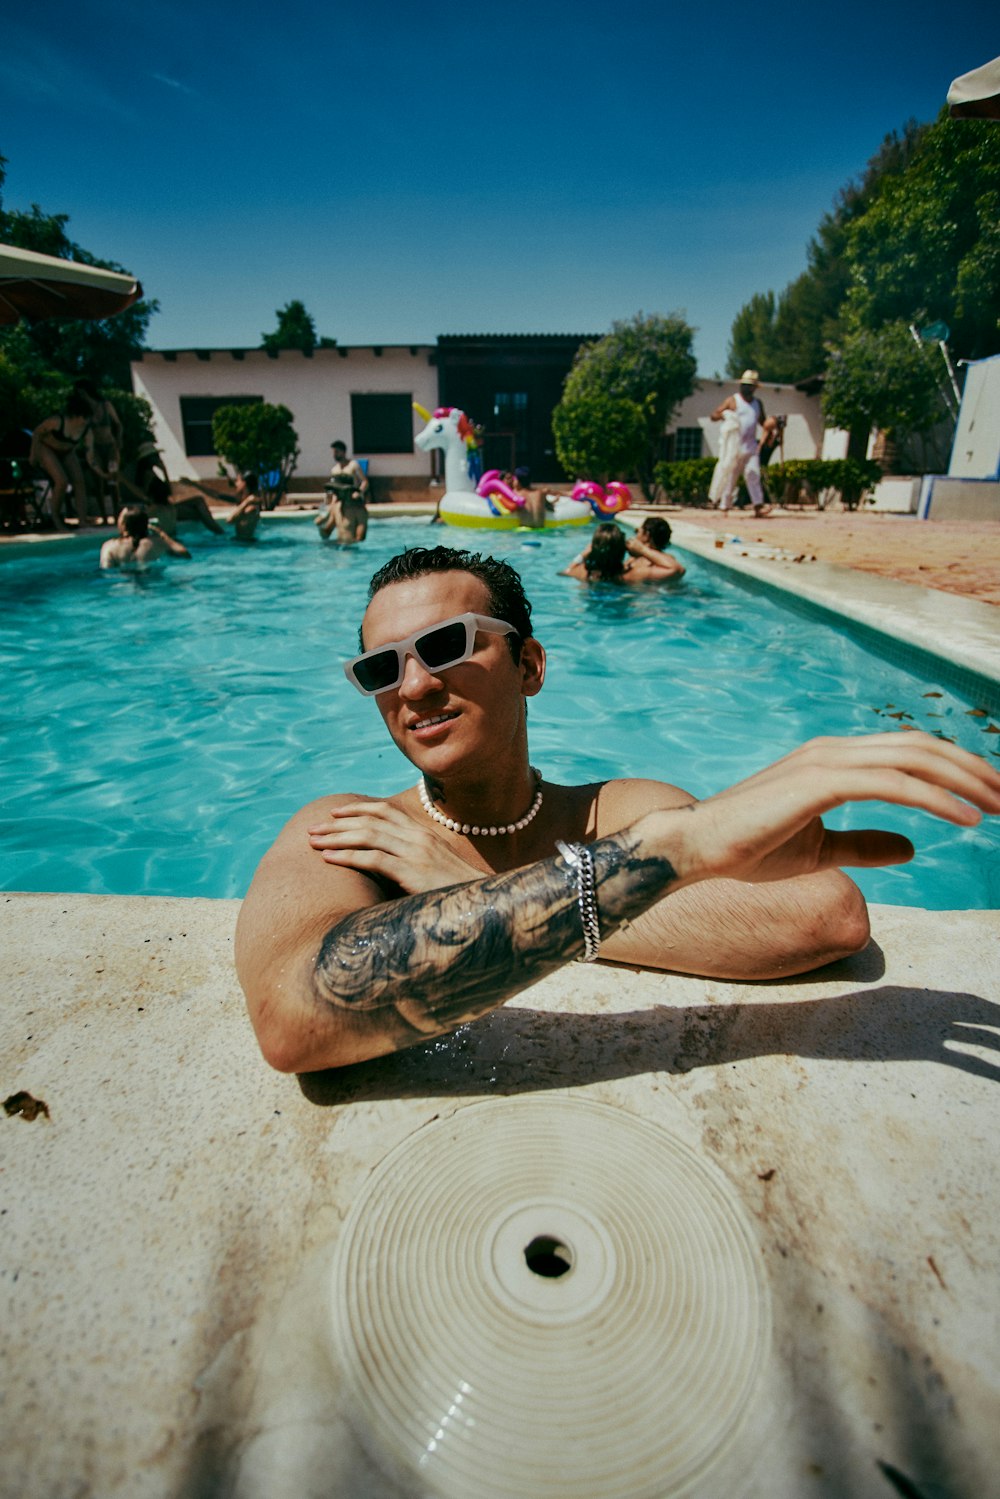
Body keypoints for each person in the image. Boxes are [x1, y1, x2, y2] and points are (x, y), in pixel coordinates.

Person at [235, 545, 1000, 1073]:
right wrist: (662, 865)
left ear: (529, 664)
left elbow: (827, 915)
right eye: (380, 668)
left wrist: (464, 890)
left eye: (445, 646)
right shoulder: (349, 827)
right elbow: (290, 1015)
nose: (413, 687)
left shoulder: (616, 807)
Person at [117, 442, 225, 537]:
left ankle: (218, 530)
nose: (158, 457)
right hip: (163, 508)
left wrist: (164, 471)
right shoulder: (147, 474)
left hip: (168, 506)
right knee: (200, 512)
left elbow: (169, 492)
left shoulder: (151, 472)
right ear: (149, 458)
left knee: (199, 502)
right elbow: (147, 496)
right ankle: (219, 532)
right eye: (155, 456)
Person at [709, 370, 770, 516]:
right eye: (744, 385)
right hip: (735, 447)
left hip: (751, 446)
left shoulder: (757, 404)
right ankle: (724, 506)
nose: (746, 388)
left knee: (753, 474)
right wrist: (725, 415)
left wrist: (774, 425)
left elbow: (763, 422)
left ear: (754, 388)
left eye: (750, 385)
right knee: (731, 477)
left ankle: (758, 506)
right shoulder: (732, 400)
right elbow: (714, 415)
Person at [30, 392, 93, 528]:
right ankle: (56, 518)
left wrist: (98, 469)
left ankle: (82, 519)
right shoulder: (57, 422)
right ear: (76, 415)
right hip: (46, 447)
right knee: (61, 481)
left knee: (79, 482)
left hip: (67, 451)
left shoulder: (86, 429)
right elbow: (37, 433)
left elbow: (90, 452)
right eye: (84, 417)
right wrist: (33, 455)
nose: (86, 421)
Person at [560, 521, 682, 583]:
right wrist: (643, 550)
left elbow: (566, 571)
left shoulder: (582, 573)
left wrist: (584, 553)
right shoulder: (628, 576)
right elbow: (676, 570)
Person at [75, 378, 123, 524]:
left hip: (110, 446)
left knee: (113, 481)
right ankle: (104, 517)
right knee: (99, 483)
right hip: (96, 447)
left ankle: (116, 515)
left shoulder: (105, 405)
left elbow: (118, 424)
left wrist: (119, 441)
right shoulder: (85, 412)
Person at [99, 506, 192, 569]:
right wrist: (162, 534)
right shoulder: (157, 542)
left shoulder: (109, 546)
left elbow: (106, 570)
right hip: (153, 586)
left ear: (123, 525)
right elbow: (185, 555)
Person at [317, 439, 369, 543]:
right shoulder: (334, 470)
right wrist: (330, 504)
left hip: (354, 502)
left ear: (343, 452)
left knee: (358, 536)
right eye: (333, 452)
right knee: (327, 528)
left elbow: (365, 482)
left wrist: (358, 492)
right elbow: (332, 490)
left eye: (337, 452)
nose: (334, 455)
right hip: (340, 503)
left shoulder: (353, 465)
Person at [227, 472, 262, 541]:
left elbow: (229, 520)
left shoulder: (251, 508)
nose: (236, 483)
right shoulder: (248, 503)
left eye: (237, 480)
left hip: (245, 545)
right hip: (243, 543)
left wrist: (247, 502)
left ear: (244, 484)